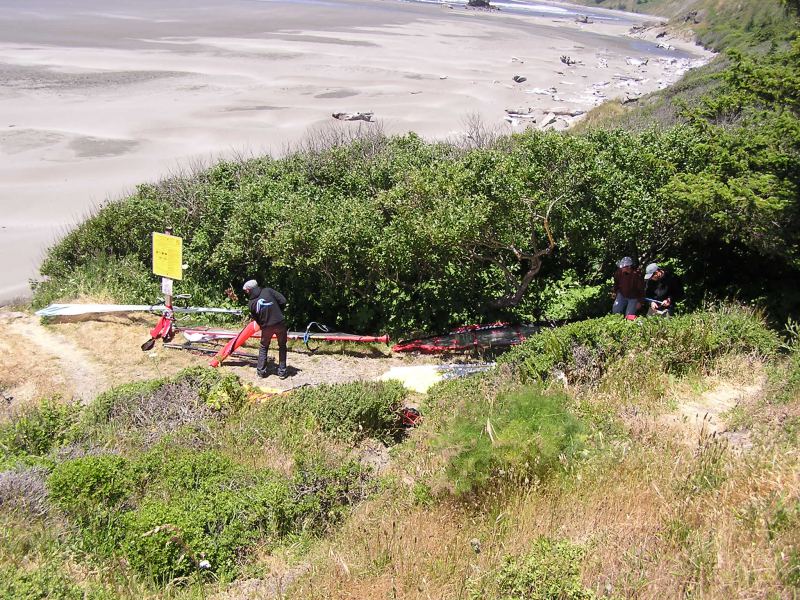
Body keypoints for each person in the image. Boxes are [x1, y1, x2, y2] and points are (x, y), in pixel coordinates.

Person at [243, 279, 289, 379]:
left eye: (246, 290)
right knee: (282, 346)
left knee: (264, 346)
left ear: (249, 290)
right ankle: (282, 372)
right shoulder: (268, 291)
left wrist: (263, 324)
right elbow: (283, 301)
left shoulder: (251, 303)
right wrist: (278, 312)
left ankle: (261, 372)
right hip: (279, 323)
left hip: (267, 327)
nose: (246, 292)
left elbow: (256, 319)